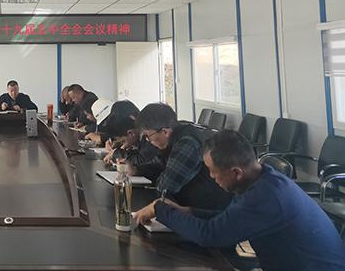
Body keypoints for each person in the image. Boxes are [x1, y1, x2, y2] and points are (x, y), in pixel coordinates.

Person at [134, 130, 345, 271]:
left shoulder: (266, 196)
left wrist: (160, 209)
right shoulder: (262, 178)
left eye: (213, 172)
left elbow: (210, 235)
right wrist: (186, 211)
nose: (211, 177)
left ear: (236, 172)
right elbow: (227, 219)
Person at [135, 103, 232, 210]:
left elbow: (165, 187)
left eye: (148, 136)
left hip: (209, 211)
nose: (148, 141)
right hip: (192, 206)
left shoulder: (187, 143)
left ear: (165, 132)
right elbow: (157, 164)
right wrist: (135, 170)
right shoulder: (174, 138)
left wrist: (159, 176)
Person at [93, 100, 162, 181]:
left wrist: (116, 153)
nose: (123, 144)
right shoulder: (139, 134)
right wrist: (120, 149)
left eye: (123, 141)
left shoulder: (151, 134)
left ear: (131, 133)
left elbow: (143, 160)